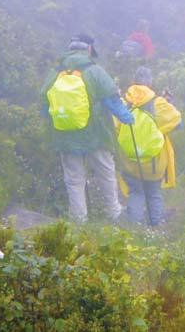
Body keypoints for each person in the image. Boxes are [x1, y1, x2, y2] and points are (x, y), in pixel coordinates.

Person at [41, 33, 134, 224]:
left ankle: (78, 219)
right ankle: (113, 212)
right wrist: (127, 117)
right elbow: (112, 100)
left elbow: (44, 103)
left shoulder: (55, 72)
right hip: (96, 134)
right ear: (89, 49)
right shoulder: (94, 71)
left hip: (64, 135)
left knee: (74, 179)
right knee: (106, 173)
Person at [115, 66, 182, 226]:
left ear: (133, 81)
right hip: (154, 162)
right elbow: (179, 124)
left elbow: (115, 126)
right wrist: (168, 104)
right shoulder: (158, 103)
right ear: (150, 82)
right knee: (153, 192)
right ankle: (156, 227)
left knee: (136, 192)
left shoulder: (123, 102)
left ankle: (133, 230)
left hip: (129, 161)